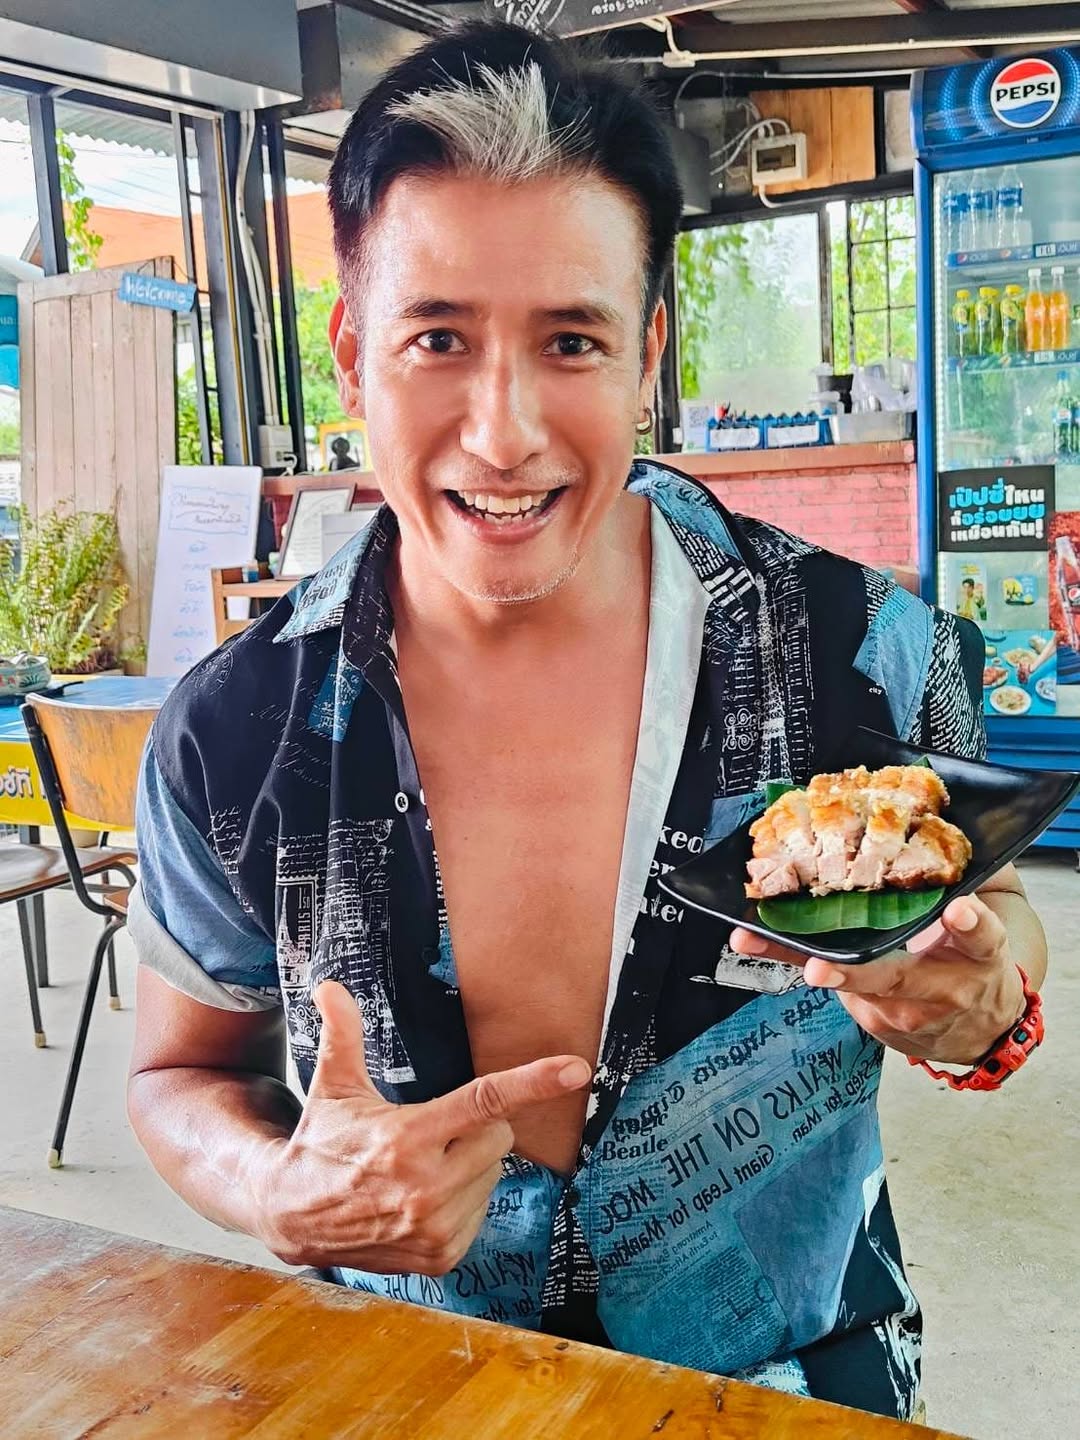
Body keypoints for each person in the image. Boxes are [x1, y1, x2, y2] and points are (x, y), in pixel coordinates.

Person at [127, 20, 1047, 1424]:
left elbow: (998, 922)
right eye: (438, 338)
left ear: (647, 352)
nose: (503, 434)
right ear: (354, 355)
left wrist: (985, 1004)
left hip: (795, 1390)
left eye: (571, 340)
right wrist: (277, 1188)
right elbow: (179, 1069)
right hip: (403, 1389)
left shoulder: (866, 651)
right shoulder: (238, 730)